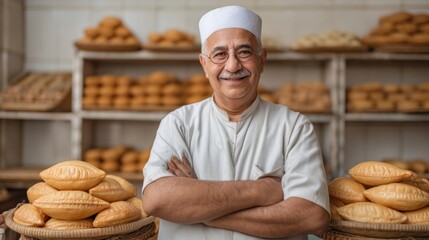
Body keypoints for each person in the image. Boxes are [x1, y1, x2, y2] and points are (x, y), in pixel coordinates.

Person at [142, 5, 330, 240]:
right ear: (204, 64)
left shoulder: (294, 127)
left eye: (244, 52)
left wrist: (200, 209)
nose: (232, 66)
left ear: (262, 60)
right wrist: (262, 191)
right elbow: (156, 200)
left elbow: (311, 216)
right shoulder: (178, 124)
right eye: (220, 54)